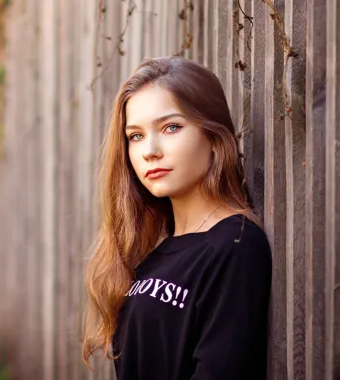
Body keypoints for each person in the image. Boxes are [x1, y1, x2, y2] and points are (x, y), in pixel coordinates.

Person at [81, 56, 272, 380]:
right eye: (136, 136)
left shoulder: (237, 245)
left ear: (213, 137)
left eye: (171, 127)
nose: (149, 150)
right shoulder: (152, 258)